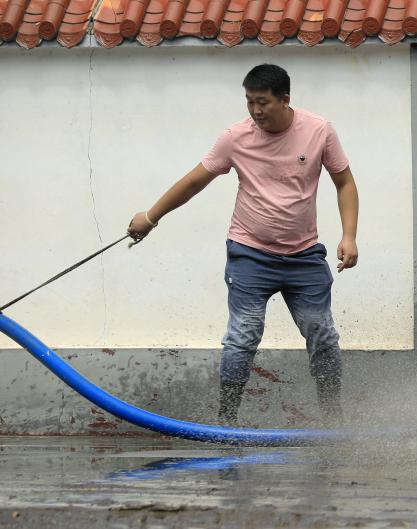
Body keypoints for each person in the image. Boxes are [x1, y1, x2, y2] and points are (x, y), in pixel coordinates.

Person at [126, 64, 359, 425]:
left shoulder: (319, 131)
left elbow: (344, 182)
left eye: (263, 102)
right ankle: (227, 420)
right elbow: (194, 181)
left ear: (285, 99)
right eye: (250, 102)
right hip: (250, 254)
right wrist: (151, 217)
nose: (255, 110)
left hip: (304, 256)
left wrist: (349, 235)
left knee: (322, 333)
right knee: (243, 335)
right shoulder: (235, 138)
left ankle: (333, 419)